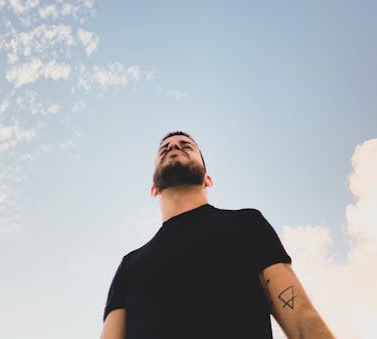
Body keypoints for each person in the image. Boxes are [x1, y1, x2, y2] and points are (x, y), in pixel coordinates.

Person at [100, 131, 335, 339]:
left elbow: (302, 317)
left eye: (186, 145)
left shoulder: (246, 224)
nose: (173, 147)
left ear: (208, 179)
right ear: (153, 189)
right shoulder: (130, 265)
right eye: (165, 148)